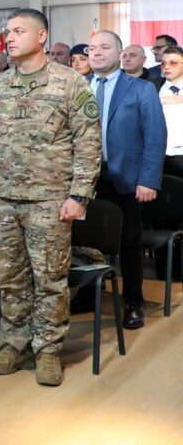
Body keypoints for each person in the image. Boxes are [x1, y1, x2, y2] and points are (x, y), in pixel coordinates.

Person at [0, 8, 101, 387]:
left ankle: (48, 349)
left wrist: (79, 195)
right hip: (1, 200)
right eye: (7, 32)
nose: (9, 38)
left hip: (49, 200)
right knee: (8, 277)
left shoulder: (70, 82)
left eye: (18, 31)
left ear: (41, 36)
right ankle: (16, 342)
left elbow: (88, 144)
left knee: (49, 279)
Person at [89, 30, 165, 331]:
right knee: (85, 239)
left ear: (119, 54)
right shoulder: (78, 87)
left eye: (104, 47)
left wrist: (149, 180)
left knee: (129, 243)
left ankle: (133, 301)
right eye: (92, 48)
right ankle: (87, 295)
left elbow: (155, 136)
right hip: (85, 179)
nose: (97, 53)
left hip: (126, 179)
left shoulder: (140, 89)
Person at [155, 46, 183, 176]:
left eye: (173, 63)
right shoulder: (152, 86)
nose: (167, 67)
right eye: (163, 63)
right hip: (159, 155)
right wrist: (159, 101)